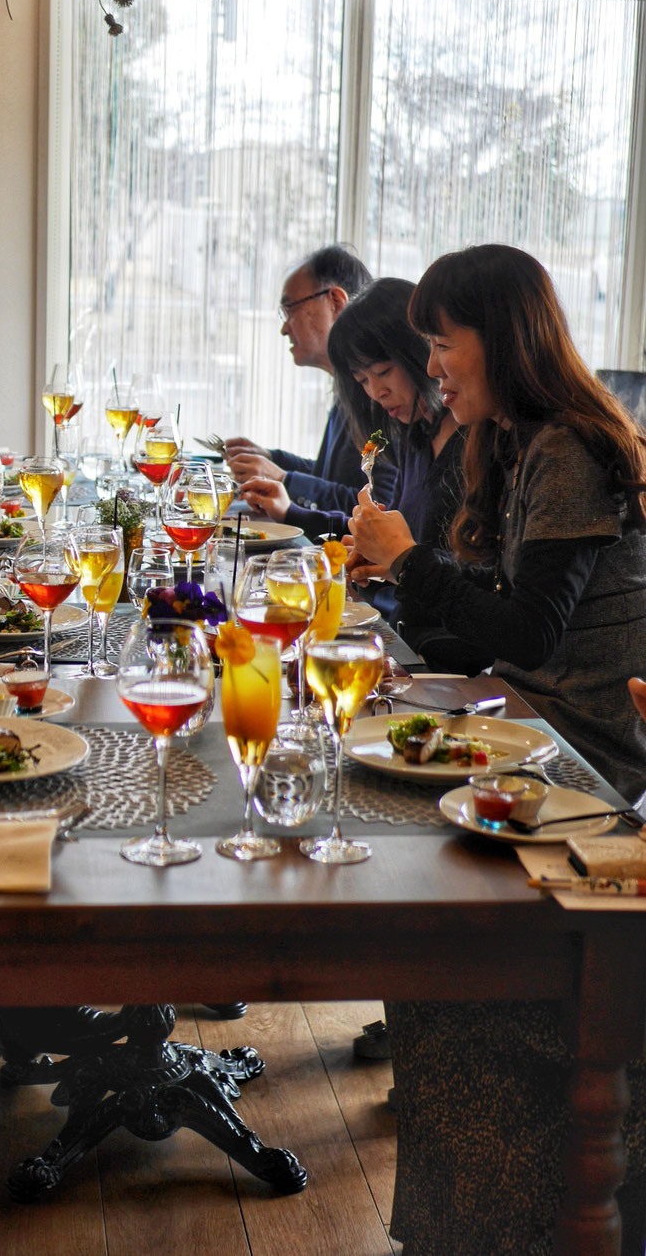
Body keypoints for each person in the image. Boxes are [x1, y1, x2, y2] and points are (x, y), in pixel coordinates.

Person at [346, 243, 646, 1254]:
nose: (430, 365)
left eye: (441, 341)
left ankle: (488, 1222)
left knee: (423, 926)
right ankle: (457, 1222)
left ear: (501, 339)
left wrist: (408, 560)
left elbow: (529, 635)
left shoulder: (564, 446)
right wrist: (403, 617)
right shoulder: (512, 442)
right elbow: (480, 630)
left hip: (592, 769)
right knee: (394, 860)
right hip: (527, 741)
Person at [328, 277, 486, 670]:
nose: (375, 392)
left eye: (383, 371)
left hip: (455, 660)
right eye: (362, 380)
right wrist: (382, 556)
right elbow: (418, 550)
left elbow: (486, 578)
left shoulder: (480, 441)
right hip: (409, 641)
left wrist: (402, 558)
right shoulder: (415, 436)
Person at [229, 245, 395, 535]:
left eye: (289, 308)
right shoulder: (348, 387)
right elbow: (330, 475)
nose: (284, 329)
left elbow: (376, 503)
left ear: (335, 303)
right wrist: (271, 459)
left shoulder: (386, 396)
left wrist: (284, 478)